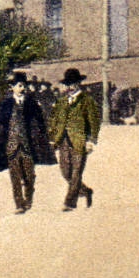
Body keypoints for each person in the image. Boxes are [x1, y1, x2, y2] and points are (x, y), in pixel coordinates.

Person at [0, 72, 55, 213]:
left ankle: (28, 199)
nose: (22, 89)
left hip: (28, 146)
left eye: (23, 86)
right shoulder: (5, 105)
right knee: (15, 177)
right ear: (12, 87)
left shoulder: (31, 103)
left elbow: (41, 123)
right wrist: (0, 143)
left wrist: (42, 138)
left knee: (29, 176)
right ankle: (19, 204)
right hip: (11, 146)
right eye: (19, 86)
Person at [48, 68, 99, 211]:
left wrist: (91, 140)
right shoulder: (62, 101)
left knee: (76, 172)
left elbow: (94, 122)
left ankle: (70, 203)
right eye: (68, 84)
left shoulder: (87, 101)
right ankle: (85, 191)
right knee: (66, 172)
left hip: (79, 141)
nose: (70, 87)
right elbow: (54, 120)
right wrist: (52, 138)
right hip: (63, 141)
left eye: (73, 83)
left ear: (79, 84)